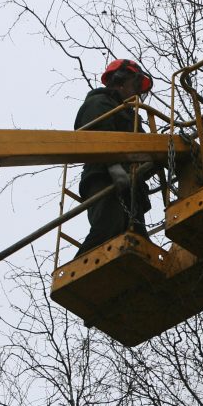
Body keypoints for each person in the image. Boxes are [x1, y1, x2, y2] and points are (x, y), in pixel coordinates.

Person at [74, 59, 154, 257]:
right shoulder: (98, 103)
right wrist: (113, 166)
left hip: (131, 187)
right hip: (103, 179)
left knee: (140, 243)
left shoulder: (131, 115)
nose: (137, 93)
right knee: (108, 226)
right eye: (135, 86)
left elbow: (146, 148)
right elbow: (96, 135)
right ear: (120, 81)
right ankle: (78, 273)